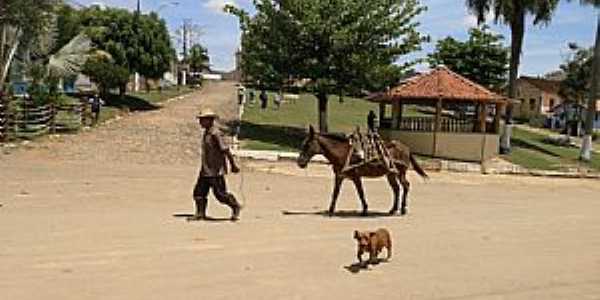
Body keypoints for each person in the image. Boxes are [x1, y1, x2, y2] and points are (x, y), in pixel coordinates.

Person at [190, 108, 242, 221]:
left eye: (202, 120)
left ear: (210, 120)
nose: (200, 122)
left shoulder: (216, 133)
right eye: (200, 120)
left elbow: (226, 150)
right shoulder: (207, 132)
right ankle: (200, 213)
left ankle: (235, 206)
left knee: (220, 195)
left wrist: (233, 165)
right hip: (205, 169)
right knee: (199, 193)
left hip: (215, 170)